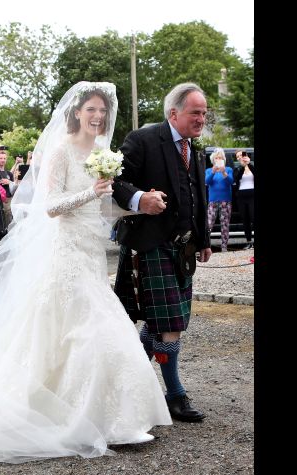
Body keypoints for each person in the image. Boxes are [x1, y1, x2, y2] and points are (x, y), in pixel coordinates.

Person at [0, 81, 171, 464]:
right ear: (77, 112)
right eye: (91, 110)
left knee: (94, 326)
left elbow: (103, 209)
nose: (98, 117)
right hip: (64, 252)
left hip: (91, 251)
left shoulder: (103, 153)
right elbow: (49, 207)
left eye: (102, 111)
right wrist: (92, 192)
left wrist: (137, 208)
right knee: (89, 326)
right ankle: (80, 417)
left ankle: (109, 416)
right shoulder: (61, 150)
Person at [112, 82, 213, 422]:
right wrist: (141, 199)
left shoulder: (194, 149)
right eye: (195, 112)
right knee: (169, 325)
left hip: (182, 250)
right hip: (149, 244)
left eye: (203, 112)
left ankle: (127, 387)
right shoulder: (143, 140)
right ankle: (175, 394)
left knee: (162, 324)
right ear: (174, 113)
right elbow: (116, 181)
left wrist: (204, 238)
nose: (201, 118)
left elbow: (198, 196)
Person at [204, 147, 234, 251]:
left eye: (220, 158)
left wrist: (224, 172)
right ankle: (206, 246)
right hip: (213, 201)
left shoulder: (228, 169)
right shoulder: (208, 170)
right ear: (213, 159)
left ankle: (224, 247)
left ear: (223, 159)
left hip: (226, 201)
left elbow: (230, 182)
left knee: (225, 224)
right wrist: (213, 172)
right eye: (216, 158)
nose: (218, 159)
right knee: (209, 224)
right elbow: (207, 182)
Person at [233, 150, 255, 250]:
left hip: (252, 196)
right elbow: (237, 178)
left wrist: (248, 164)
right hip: (241, 197)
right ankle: (249, 241)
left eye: (241, 155)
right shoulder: (237, 168)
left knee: (253, 217)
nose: (240, 158)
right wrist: (243, 166)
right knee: (245, 220)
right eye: (237, 157)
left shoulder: (252, 166)